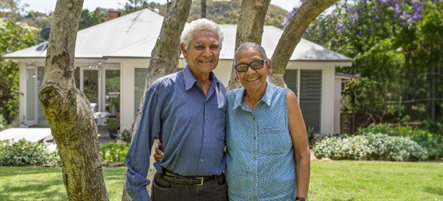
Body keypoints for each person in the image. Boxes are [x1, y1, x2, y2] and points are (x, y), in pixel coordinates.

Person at [155, 42, 311, 201]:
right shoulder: (227, 102)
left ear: (268, 66)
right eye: (242, 67)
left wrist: (301, 198)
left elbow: (303, 153)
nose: (250, 72)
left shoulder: (286, 99)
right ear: (237, 73)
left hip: (281, 198)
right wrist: (172, 150)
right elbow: (205, 135)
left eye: (256, 64)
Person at [125, 18, 228, 201]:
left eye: (213, 46)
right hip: (172, 191)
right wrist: (139, 194)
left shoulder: (224, 95)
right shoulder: (163, 89)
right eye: (199, 46)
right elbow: (141, 144)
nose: (207, 53)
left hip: (215, 192)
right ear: (184, 50)